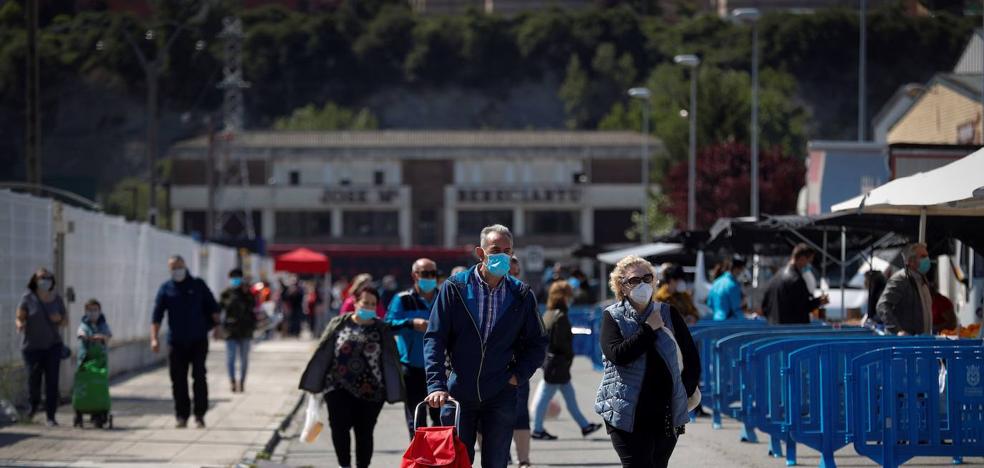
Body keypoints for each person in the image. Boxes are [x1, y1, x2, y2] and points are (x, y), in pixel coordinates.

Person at [424, 224, 548, 468]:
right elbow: (434, 337)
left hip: (500, 392)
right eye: (495, 249)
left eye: (507, 250)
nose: (502, 255)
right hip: (458, 392)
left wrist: (518, 376)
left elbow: (537, 342)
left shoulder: (521, 294)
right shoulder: (455, 288)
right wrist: (436, 385)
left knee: (496, 462)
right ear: (481, 253)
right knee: (456, 462)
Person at [595, 255, 700, 468]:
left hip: (665, 413)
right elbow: (618, 355)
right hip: (626, 412)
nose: (642, 284)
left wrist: (683, 392)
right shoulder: (612, 317)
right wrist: (648, 329)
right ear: (621, 286)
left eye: (647, 278)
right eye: (634, 280)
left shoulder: (668, 313)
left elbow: (691, 357)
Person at [298, 286, 404, 468]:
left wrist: (393, 387)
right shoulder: (338, 323)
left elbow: (390, 359)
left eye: (373, 304)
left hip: (372, 392)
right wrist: (316, 382)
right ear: (355, 302)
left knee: (364, 432)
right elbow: (323, 352)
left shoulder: (381, 329)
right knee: (339, 429)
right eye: (365, 303)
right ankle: (344, 465)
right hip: (337, 388)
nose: (368, 307)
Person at [151, 255, 220, 428]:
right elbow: (157, 316)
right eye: (173, 268)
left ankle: (199, 415)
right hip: (176, 342)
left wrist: (217, 328)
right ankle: (181, 415)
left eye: (179, 267)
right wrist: (154, 338)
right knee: (178, 380)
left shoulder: (198, 285)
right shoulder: (166, 289)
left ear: (185, 266)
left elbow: (213, 308)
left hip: (198, 340)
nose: (177, 271)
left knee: (199, 377)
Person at [531, 281, 602, 441]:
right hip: (558, 364)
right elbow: (561, 342)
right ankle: (537, 429)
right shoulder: (560, 316)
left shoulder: (550, 313)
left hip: (553, 363)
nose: (571, 298)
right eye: (569, 295)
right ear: (563, 296)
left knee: (568, 397)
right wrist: (567, 355)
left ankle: (584, 425)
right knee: (545, 397)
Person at [386, 258, 440, 439]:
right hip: (411, 366)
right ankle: (420, 461)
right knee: (417, 418)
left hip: (439, 367)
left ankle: (439, 461)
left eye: (433, 274)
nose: (430, 278)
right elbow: (388, 325)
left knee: (440, 418)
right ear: (414, 275)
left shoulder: (444, 298)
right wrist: (411, 323)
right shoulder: (402, 300)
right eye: (425, 274)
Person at [15, 268, 68, 426]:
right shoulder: (27, 298)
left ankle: (50, 416)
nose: (45, 280)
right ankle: (32, 408)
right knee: (34, 380)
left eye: (48, 277)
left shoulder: (56, 298)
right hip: (32, 348)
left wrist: (59, 318)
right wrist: (20, 324)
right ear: (35, 280)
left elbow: (65, 321)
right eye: (41, 277)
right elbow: (19, 316)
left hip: (53, 346)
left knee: (52, 381)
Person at [761, 244, 829, 325]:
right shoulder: (796, 279)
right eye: (809, 261)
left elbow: (765, 306)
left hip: (774, 329)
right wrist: (819, 301)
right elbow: (802, 307)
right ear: (802, 258)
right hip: (792, 330)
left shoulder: (776, 276)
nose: (808, 265)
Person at [877, 243, 934, 336]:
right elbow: (882, 306)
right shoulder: (900, 279)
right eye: (923, 256)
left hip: (922, 339)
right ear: (910, 261)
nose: (927, 259)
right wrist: (897, 330)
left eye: (927, 256)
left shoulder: (922, 279)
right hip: (905, 342)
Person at [220, 268, 257, 393]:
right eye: (233, 278)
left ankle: (242, 382)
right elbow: (221, 308)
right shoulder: (226, 293)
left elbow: (252, 306)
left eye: (237, 278)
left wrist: (246, 292)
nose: (235, 280)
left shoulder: (247, 292)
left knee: (244, 359)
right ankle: (232, 381)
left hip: (245, 330)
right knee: (230, 358)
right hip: (230, 331)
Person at [707, 256, 747, 321]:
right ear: (737, 269)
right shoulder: (733, 285)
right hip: (728, 324)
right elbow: (736, 308)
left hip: (715, 320)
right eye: (741, 269)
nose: (741, 272)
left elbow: (710, 303)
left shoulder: (716, 282)